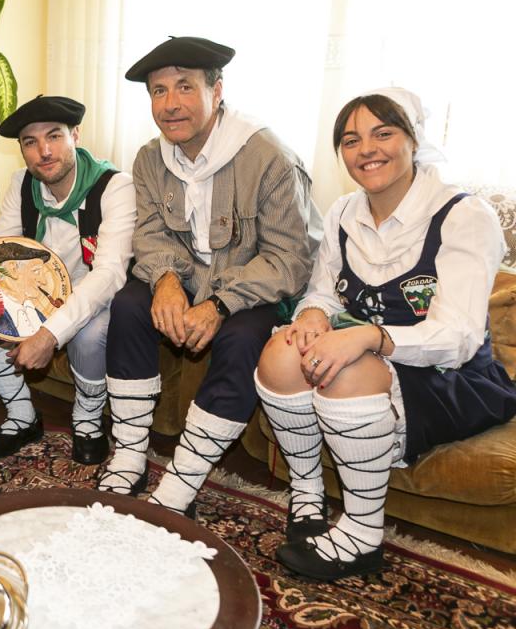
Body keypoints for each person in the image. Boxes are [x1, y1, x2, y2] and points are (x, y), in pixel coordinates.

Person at [256, 88, 516, 580]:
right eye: (351, 140)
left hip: (449, 376)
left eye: (384, 133)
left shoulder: (463, 216)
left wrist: (370, 337)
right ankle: (307, 495)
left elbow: (458, 338)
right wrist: (312, 317)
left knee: (346, 372)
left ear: (414, 140)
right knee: (281, 352)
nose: (366, 150)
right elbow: (323, 293)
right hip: (372, 356)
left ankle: (362, 534)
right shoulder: (343, 212)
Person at [101, 36, 317, 517]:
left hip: (257, 287)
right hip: (188, 277)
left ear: (216, 92)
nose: (170, 104)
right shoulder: (150, 158)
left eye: (185, 87)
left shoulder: (269, 157)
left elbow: (289, 260)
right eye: (159, 91)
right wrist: (164, 280)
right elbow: (149, 233)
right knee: (128, 304)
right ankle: (130, 454)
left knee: (242, 338)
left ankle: (184, 479)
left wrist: (219, 304)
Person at [0, 95, 137, 465]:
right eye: (31, 142)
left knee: (89, 335)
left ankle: (88, 418)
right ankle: (23, 415)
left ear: (75, 135)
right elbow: (3, 254)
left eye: (54, 136)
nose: (44, 151)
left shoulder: (115, 187)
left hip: (97, 297)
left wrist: (50, 333)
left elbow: (108, 275)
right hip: (39, 294)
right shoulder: (22, 184)